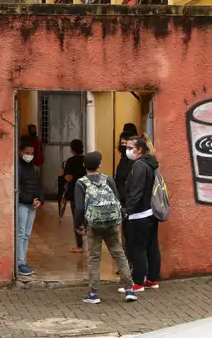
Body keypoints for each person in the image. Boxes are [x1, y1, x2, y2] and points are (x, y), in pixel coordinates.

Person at [74, 152, 136, 304]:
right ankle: (129, 289)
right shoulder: (108, 179)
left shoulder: (81, 183)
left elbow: (79, 208)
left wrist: (78, 224)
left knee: (94, 258)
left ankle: (93, 294)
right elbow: (117, 199)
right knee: (119, 255)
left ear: (84, 165)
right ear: (99, 165)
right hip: (111, 223)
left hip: (93, 225)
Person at [124, 134, 162, 292]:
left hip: (139, 214)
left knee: (137, 248)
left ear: (139, 149)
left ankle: (138, 282)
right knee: (152, 246)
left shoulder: (140, 166)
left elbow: (136, 192)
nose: (127, 150)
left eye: (130, 148)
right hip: (150, 213)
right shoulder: (150, 163)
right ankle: (152, 279)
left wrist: (126, 210)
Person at [17, 136, 43, 276]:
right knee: (21, 234)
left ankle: (23, 261)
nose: (30, 156)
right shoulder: (18, 168)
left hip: (32, 205)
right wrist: (30, 200)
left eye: (32, 153)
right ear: (21, 152)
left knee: (27, 235)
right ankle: (20, 264)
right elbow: (17, 190)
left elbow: (38, 186)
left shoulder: (32, 168)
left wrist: (41, 200)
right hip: (23, 205)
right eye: (27, 153)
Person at [114, 130, 136, 263]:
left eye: (125, 144)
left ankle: (131, 264)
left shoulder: (134, 163)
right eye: (121, 144)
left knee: (131, 236)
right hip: (123, 203)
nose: (123, 147)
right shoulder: (123, 160)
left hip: (130, 204)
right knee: (126, 235)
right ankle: (127, 264)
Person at [62, 139, 87, 253]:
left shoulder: (71, 161)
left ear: (72, 149)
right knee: (88, 218)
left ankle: (80, 245)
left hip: (75, 193)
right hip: (88, 193)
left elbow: (69, 178)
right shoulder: (86, 160)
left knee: (77, 219)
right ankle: (91, 243)